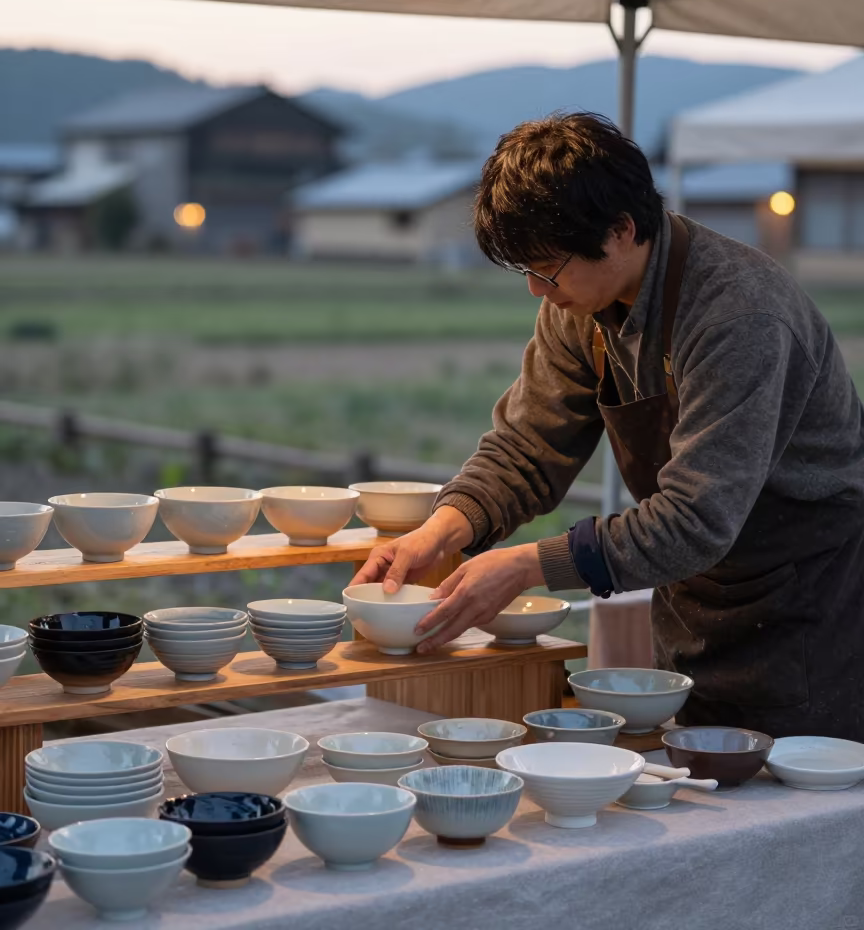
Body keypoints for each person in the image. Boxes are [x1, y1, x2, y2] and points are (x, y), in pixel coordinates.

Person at [351, 113, 864, 740]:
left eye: (548, 267)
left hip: (808, 606)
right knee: (694, 790)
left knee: (801, 815)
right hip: (695, 595)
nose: (539, 291)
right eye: (525, 272)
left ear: (621, 230)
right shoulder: (581, 304)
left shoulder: (741, 316)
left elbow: (697, 519)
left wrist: (524, 566)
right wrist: (442, 528)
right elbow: (527, 446)